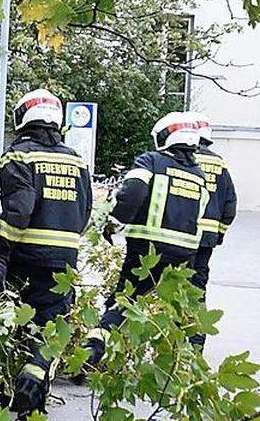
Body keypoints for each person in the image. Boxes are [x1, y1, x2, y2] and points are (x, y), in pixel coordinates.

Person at [0, 89, 92, 421]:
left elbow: (18, 210)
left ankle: (17, 391)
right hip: (64, 261)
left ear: (22, 118)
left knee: (18, 326)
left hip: (25, 257)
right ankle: (33, 396)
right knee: (50, 330)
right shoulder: (76, 159)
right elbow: (86, 210)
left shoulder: (18, 157)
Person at [83, 112, 209, 369]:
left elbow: (132, 194)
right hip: (185, 254)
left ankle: (93, 350)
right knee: (177, 309)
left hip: (147, 247)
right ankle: (185, 362)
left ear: (164, 137)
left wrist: (114, 222)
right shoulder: (198, 174)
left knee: (125, 299)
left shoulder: (150, 161)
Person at [188, 112, 238, 349]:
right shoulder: (220, 164)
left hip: (181, 236)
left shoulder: (180, 159)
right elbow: (230, 206)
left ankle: (169, 342)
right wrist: (219, 233)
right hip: (205, 240)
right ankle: (195, 345)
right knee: (197, 289)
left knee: (166, 287)